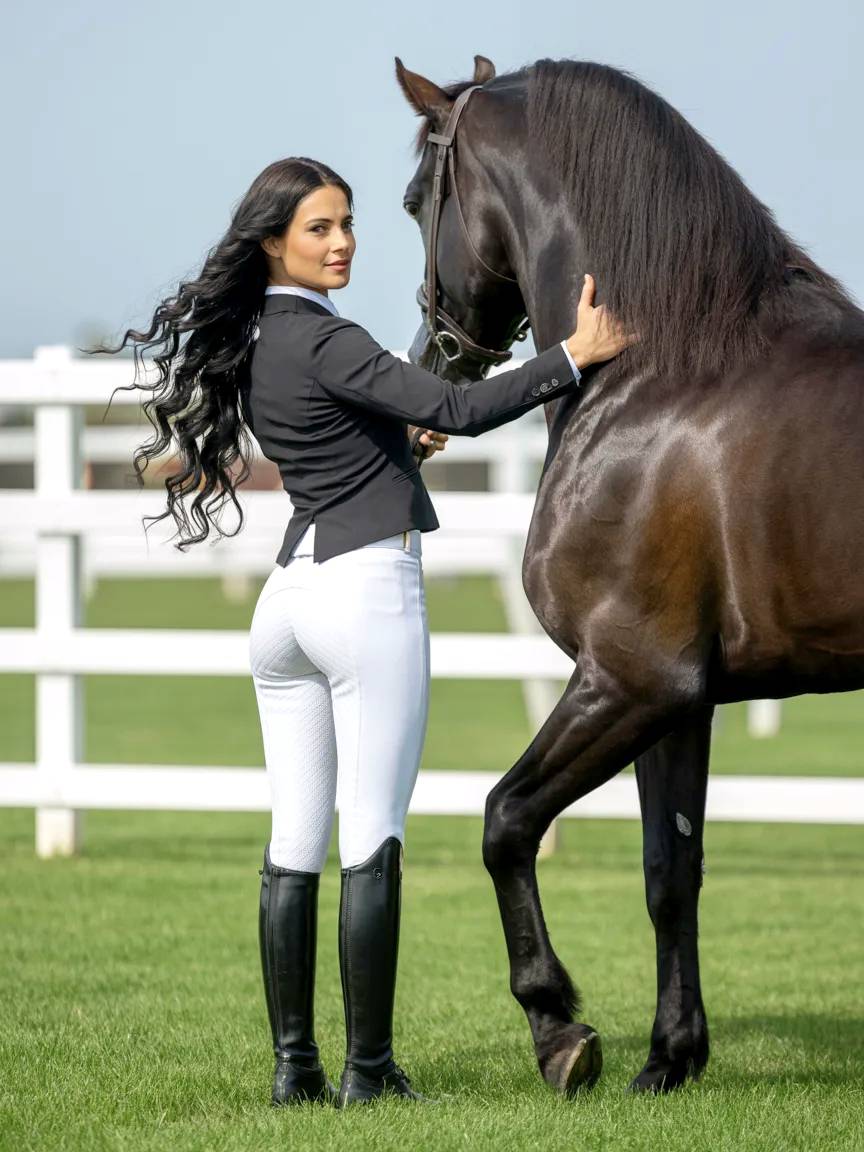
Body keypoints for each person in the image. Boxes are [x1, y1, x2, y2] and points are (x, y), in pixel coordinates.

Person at [92, 156, 632, 1110]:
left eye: (346, 224)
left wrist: (398, 439)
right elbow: (461, 407)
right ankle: (369, 1072)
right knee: (371, 839)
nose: (342, 243)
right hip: (364, 597)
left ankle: (296, 1071)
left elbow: (356, 436)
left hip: (288, 608)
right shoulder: (326, 337)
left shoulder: (255, 339)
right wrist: (572, 357)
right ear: (273, 242)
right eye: (319, 229)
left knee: (294, 843)